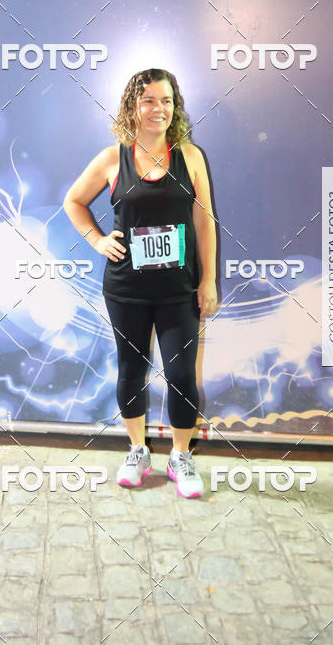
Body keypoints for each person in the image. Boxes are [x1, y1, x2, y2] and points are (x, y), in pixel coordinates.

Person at [63, 67, 217, 498]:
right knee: (131, 370)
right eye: (149, 100)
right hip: (126, 290)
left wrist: (208, 280)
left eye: (166, 101)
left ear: (175, 107)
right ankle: (137, 450)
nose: (158, 109)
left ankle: (180, 456)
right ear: (133, 107)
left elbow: (204, 222)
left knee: (181, 374)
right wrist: (97, 240)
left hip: (178, 291)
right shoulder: (113, 158)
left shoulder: (190, 156)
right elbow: (73, 201)